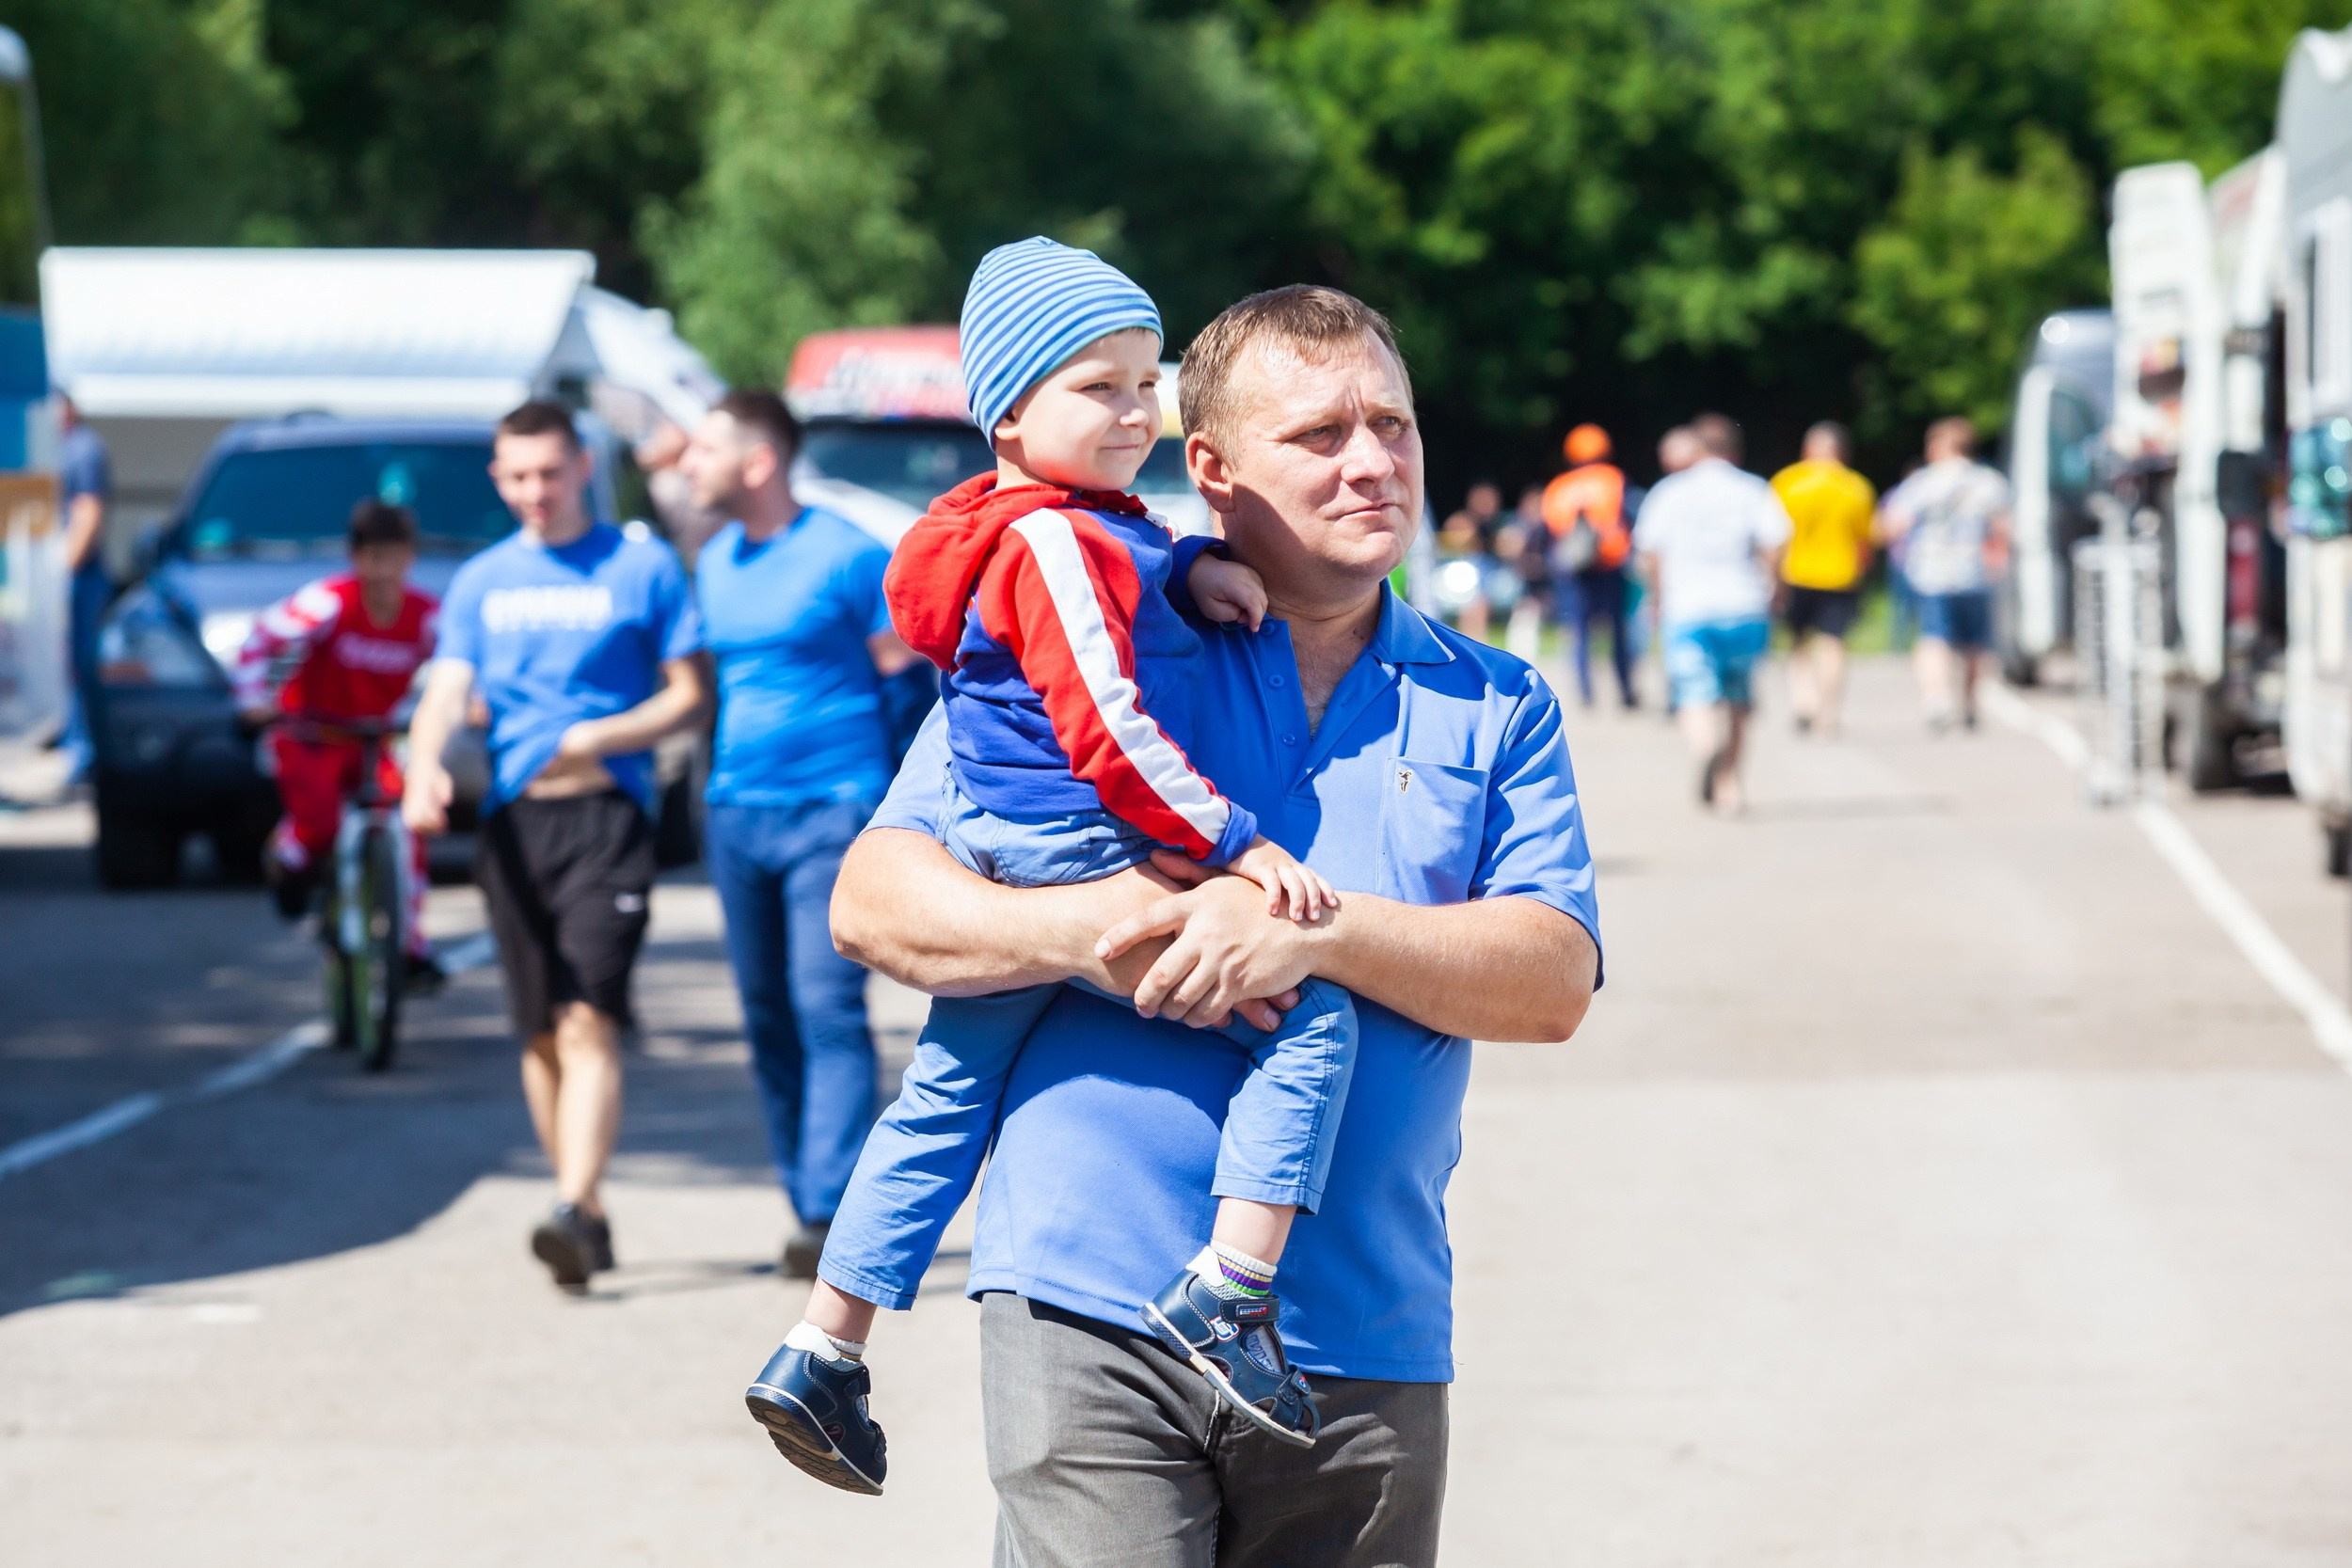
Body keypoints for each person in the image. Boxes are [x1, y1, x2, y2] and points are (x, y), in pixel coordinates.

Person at [828, 284, 1600, 1566]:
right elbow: (877, 902)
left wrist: (1315, 932)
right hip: (1084, 1307)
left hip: (1359, 1332)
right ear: (1211, 468)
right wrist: (1109, 922)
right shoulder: (1090, 650)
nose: (1372, 462)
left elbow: (1553, 980)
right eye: (1320, 435)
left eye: (1392, 426)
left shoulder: (1493, 695)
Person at [748, 241, 1359, 1491]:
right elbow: (1111, 725)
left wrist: (1195, 565)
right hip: (1082, 851)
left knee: (943, 1097)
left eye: (1150, 384)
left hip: (1007, 846)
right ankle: (1229, 1291)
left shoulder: (1033, 526)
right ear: (1012, 408)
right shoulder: (1057, 549)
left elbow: (1122, 562)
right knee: (1313, 1021)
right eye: (1102, 388)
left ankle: (821, 1345)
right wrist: (1237, 846)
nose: (1137, 411)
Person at [402, 401, 707, 1290]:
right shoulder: (482, 580)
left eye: (550, 472)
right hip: (511, 823)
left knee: (589, 1015)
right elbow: (445, 690)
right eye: (518, 476)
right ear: (500, 480)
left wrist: (599, 738)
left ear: (582, 468)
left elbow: (689, 696)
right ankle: (588, 1208)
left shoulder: (641, 566)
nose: (536, 491)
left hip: (607, 819)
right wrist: (422, 766)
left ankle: (572, 1202)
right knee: (538, 1033)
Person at [680, 389, 920, 1282]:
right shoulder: (715, 563)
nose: (686, 465)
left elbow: (909, 680)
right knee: (764, 1013)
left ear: (759, 460)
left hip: (832, 806)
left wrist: (893, 809)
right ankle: (802, 1190)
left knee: (826, 1009)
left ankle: (827, 1209)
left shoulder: (849, 557)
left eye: (704, 449)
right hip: (737, 809)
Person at [231, 499, 443, 985]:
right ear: (356, 558)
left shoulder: (427, 616)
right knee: (318, 823)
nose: (383, 571)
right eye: (373, 557)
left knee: (410, 822)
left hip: (377, 739)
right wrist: (253, 700)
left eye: (394, 557)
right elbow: (261, 639)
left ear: (410, 557)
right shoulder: (331, 602)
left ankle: (410, 947)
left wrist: (474, 701)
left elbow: (461, 666)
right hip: (314, 734)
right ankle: (289, 862)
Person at [1634, 412, 1791, 812]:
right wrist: (1774, 587)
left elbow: (1650, 551)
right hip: (1744, 605)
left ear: (1697, 448)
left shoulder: (1670, 491)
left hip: (1687, 608)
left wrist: (1658, 593)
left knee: (1693, 691)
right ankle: (1730, 785)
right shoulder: (1753, 489)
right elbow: (1776, 541)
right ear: (1734, 450)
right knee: (1739, 698)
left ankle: (1706, 746)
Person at [1879, 416, 2011, 731]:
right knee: (1974, 645)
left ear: (1941, 446)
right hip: (1974, 573)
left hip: (1931, 574)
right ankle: (1969, 704)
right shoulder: (1989, 482)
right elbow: (2004, 529)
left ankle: (1936, 698)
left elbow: (1893, 525)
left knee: (1933, 638)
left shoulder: (1923, 482)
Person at [1771, 421, 1877, 737]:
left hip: (1795, 574)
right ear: (1842, 452)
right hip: (1840, 575)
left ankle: (1803, 701)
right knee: (1832, 644)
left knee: (1798, 642)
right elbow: (1868, 538)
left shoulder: (1787, 482)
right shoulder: (1856, 486)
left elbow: (1772, 536)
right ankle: (1828, 714)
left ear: (1807, 450)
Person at [1543, 423, 1638, 709]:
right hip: (1610, 564)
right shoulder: (1614, 479)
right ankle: (1625, 690)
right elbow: (1629, 518)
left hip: (1575, 569)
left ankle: (1585, 694)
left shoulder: (1559, 487)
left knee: (1579, 631)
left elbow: (1550, 531)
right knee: (1619, 631)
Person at [55, 397, 111, 778]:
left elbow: (87, 513)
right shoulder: (55, 447)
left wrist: (63, 571)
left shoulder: (83, 448)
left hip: (78, 577)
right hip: (58, 579)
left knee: (80, 665)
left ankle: (86, 752)